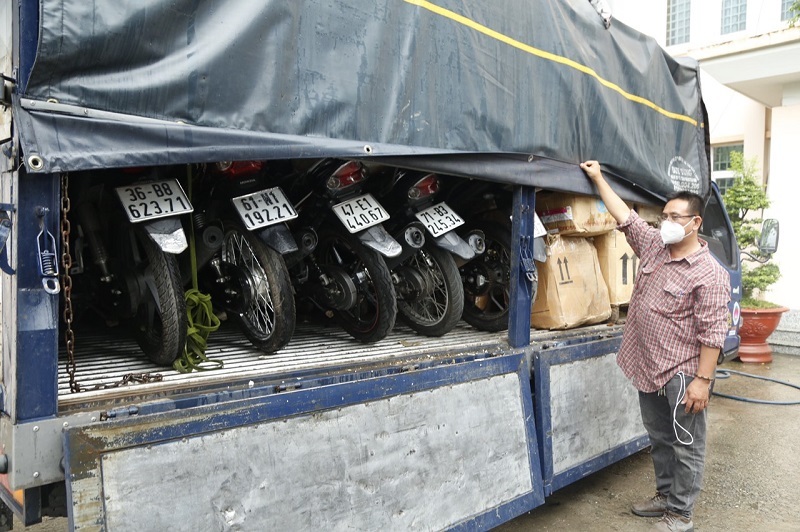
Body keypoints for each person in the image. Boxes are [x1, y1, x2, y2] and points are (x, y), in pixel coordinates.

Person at [580, 160, 730, 532]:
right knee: (660, 438)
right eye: (664, 215)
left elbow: (713, 334)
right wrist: (598, 177)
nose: (666, 223)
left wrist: (702, 381)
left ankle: (680, 513)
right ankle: (665, 495)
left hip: (682, 375)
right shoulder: (655, 248)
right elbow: (625, 217)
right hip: (648, 366)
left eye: (675, 217)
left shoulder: (709, 274)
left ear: (695, 223)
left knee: (687, 444)